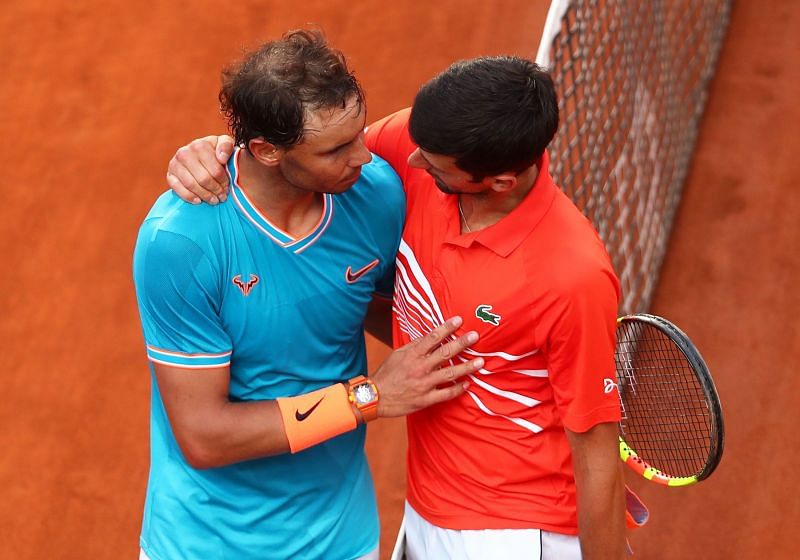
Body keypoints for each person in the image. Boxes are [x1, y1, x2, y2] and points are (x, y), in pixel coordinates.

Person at [168, 54, 634, 559]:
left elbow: (598, 460)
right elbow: (303, 151)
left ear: (499, 181)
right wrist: (217, 153)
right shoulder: (434, 140)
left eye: (432, 166)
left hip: (518, 529)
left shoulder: (571, 276)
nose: (401, 160)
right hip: (430, 509)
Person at [133, 30, 485, 560]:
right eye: (337, 148)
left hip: (341, 538)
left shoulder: (376, 196)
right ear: (267, 151)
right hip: (205, 544)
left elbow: (371, 304)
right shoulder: (183, 242)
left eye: (358, 134)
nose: (363, 157)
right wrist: (372, 397)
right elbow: (206, 437)